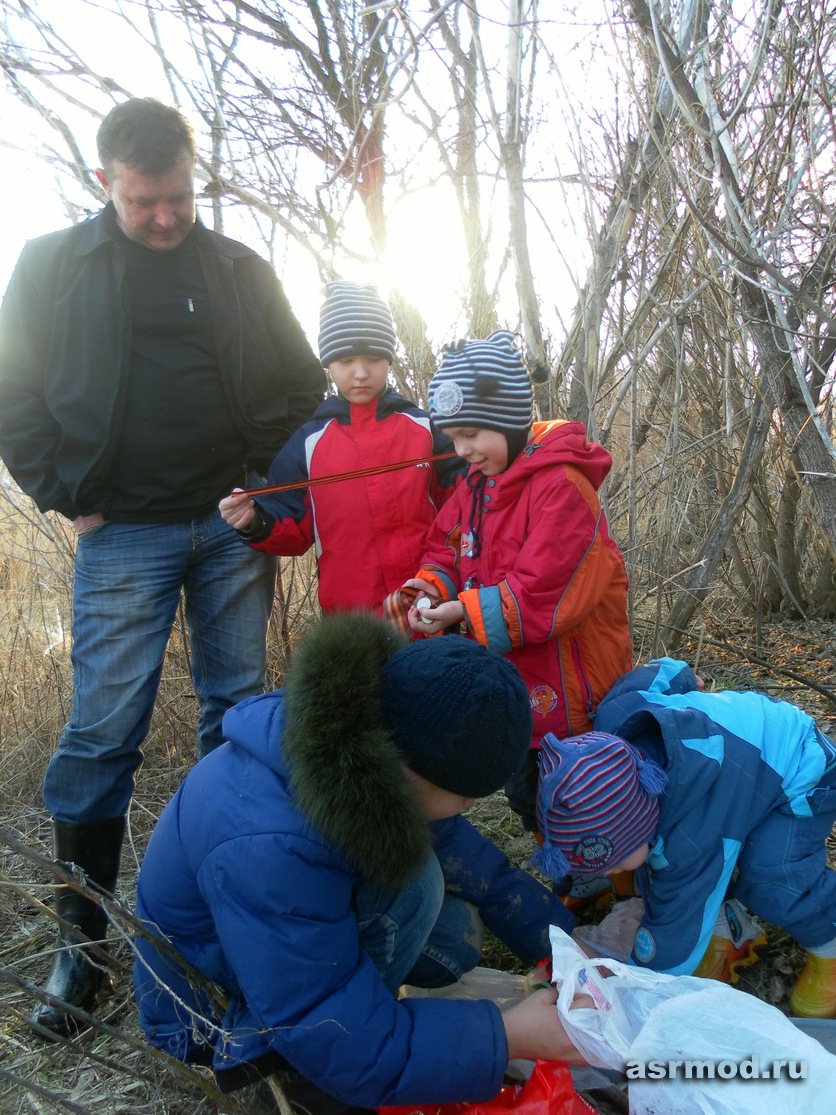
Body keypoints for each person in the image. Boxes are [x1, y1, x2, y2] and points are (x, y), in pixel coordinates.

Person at [0, 97, 326, 1036]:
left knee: (237, 719)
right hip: (123, 534)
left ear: (195, 175)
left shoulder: (237, 268)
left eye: (178, 196)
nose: (164, 216)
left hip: (233, 526)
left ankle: (230, 930)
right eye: (144, 201)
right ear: (105, 182)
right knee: (101, 733)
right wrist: (62, 487)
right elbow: (14, 389)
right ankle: (83, 952)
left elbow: (302, 387)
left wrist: (272, 490)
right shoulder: (50, 267)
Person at [132, 612, 580, 1113]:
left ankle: (367, 1019)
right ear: (417, 775)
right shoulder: (272, 844)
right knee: (418, 899)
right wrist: (506, 1034)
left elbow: (460, 847)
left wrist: (559, 944)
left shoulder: (367, 739)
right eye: (468, 796)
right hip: (209, 1002)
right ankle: (291, 1083)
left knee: (453, 933)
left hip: (268, 938)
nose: (471, 809)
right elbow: (324, 1022)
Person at [397, 330, 632, 834]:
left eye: (474, 435)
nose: (463, 450)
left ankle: (609, 883)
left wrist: (463, 610)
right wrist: (431, 588)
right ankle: (574, 882)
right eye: (454, 437)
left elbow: (545, 590)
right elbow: (446, 546)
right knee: (528, 795)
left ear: (509, 421)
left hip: (575, 691)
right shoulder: (475, 487)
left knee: (587, 795)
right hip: (517, 682)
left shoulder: (562, 488)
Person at [533, 656, 836, 1018]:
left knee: (774, 876)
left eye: (613, 864)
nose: (609, 874)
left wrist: (638, 993)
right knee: (674, 864)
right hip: (745, 762)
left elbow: (677, 929)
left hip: (800, 767)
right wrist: (680, 673)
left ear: (640, 822)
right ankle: (729, 929)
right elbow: (649, 677)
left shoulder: (691, 834)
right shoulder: (618, 725)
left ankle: (828, 945)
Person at [219, 280, 464, 616]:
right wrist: (253, 521)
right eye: (347, 360)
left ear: (389, 361)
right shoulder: (308, 443)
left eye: (374, 359)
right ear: (328, 364)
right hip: (352, 621)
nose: (360, 373)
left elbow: (464, 502)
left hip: (428, 604)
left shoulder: (424, 427)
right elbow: (290, 524)